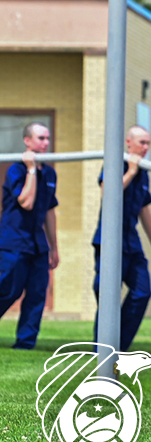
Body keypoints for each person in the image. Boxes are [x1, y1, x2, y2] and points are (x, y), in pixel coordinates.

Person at [91, 126, 151, 352]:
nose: (145, 148)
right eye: (142, 143)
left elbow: (145, 209)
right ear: (128, 142)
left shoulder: (144, 171)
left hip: (131, 241)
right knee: (106, 293)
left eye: (148, 143)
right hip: (109, 239)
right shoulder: (117, 163)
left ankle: (119, 345)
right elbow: (108, 192)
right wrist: (130, 172)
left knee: (143, 291)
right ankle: (102, 348)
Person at [0, 123, 59, 349]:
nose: (46, 143)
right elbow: (26, 201)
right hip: (14, 242)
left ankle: (25, 343)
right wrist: (32, 170)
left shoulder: (51, 173)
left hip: (38, 245)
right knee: (8, 290)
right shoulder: (17, 170)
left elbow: (49, 211)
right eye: (41, 138)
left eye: (47, 138)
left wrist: (54, 247)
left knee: (36, 294)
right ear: (27, 141)